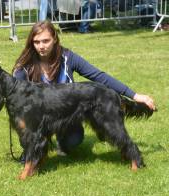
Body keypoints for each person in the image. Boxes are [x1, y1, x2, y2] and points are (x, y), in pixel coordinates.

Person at [12, 20, 156, 159]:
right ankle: (36, 152)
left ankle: (62, 145)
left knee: (74, 139)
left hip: (66, 115)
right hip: (38, 118)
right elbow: (15, 95)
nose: (41, 46)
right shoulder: (25, 64)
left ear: (55, 39)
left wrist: (135, 95)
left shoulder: (67, 57)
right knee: (26, 131)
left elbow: (98, 76)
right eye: (36, 42)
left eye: (45, 41)